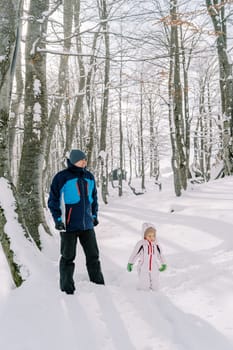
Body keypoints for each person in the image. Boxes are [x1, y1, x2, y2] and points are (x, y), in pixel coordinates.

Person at [48, 149, 104, 294]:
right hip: (68, 225)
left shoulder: (89, 177)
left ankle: (98, 285)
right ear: (73, 161)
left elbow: (93, 199)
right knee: (68, 257)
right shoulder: (62, 177)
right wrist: (58, 219)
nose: (84, 162)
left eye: (85, 159)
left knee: (93, 256)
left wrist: (94, 215)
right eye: (81, 159)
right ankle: (67, 289)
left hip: (87, 224)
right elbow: (54, 200)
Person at [127, 222, 166, 291]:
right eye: (149, 236)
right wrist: (130, 263)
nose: (152, 238)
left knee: (155, 284)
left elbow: (160, 255)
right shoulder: (141, 244)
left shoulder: (156, 245)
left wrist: (163, 263)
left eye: (153, 236)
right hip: (144, 267)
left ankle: (155, 294)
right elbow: (135, 254)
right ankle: (144, 295)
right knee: (144, 284)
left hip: (154, 267)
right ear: (145, 235)